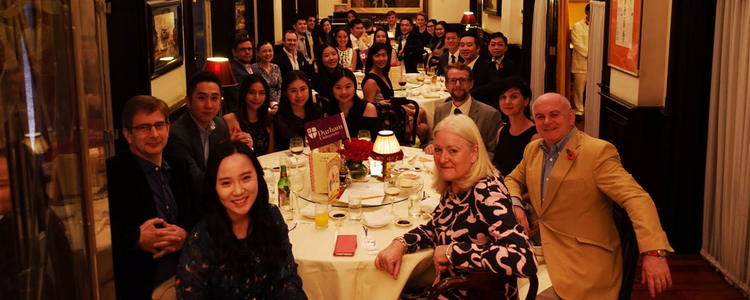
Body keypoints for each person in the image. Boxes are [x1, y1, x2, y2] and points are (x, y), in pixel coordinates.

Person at [505, 93, 674, 300]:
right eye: (540, 117)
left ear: (571, 117)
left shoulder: (597, 153)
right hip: (539, 250)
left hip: (582, 263)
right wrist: (516, 204)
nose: (547, 121)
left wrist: (653, 252)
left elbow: (636, 198)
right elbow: (512, 179)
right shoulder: (533, 150)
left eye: (554, 114)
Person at [375, 114, 537, 300]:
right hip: (449, 288)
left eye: (453, 151)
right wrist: (400, 243)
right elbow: (436, 226)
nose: (443, 159)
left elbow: (524, 258)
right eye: (438, 149)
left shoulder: (487, 192)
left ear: (474, 153)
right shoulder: (457, 183)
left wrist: (453, 252)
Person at [176, 141, 307, 299]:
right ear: (214, 187)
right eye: (226, 183)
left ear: (258, 177)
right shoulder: (202, 240)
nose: (238, 191)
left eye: (245, 178)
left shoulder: (271, 216)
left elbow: (287, 278)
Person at [108, 95, 200, 300]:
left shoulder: (179, 166)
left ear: (168, 127)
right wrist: (137, 237)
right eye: (144, 128)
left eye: (159, 125)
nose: (154, 134)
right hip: (144, 283)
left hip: (189, 270)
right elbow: (96, 232)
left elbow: (199, 213)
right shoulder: (113, 173)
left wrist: (185, 234)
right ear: (127, 134)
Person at [165, 71, 252, 189]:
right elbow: (195, 182)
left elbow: (228, 163)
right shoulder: (176, 135)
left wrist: (238, 148)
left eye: (214, 98)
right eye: (202, 98)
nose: (209, 105)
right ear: (188, 101)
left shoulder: (220, 124)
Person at [424, 63, 501, 160]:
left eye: (463, 80)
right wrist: (431, 146)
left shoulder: (490, 115)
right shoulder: (441, 110)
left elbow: (493, 153)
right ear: (446, 85)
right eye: (452, 81)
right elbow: (433, 140)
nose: (458, 85)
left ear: (471, 84)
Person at [492, 77, 540, 176]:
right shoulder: (501, 131)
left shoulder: (535, 136)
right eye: (503, 97)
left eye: (513, 97)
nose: (507, 102)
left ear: (526, 101)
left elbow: (534, 177)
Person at [223, 74, 275, 156]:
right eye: (251, 92)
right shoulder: (230, 119)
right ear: (244, 94)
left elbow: (270, 153)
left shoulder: (268, 120)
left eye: (261, 93)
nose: (256, 97)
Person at [274, 70, 325, 151]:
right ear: (286, 93)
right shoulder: (281, 117)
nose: (299, 95)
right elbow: (298, 142)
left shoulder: (316, 109)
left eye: (303, 89)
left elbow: (323, 136)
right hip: (291, 159)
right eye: (293, 91)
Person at [328, 68, 379, 139]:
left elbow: (374, 142)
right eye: (338, 87)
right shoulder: (328, 111)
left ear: (355, 87)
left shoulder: (368, 108)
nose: (344, 92)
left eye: (348, 87)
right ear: (332, 89)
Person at [458, 31, 502, 108]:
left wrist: (469, 93)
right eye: (462, 45)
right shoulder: (461, 64)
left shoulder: (487, 65)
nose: (465, 48)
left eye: (469, 45)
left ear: (478, 48)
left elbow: (496, 84)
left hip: (479, 106)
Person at [226, 37, 259, 112]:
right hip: (241, 112)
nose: (247, 52)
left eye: (249, 49)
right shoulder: (232, 70)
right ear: (234, 52)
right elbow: (240, 97)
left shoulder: (253, 68)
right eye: (243, 49)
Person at [570, 4, 590, 119]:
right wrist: (590, 54)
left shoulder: (600, 25)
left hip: (595, 64)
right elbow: (577, 43)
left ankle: (589, 109)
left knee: (592, 89)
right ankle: (578, 110)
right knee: (579, 89)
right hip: (581, 62)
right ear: (586, 12)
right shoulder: (577, 26)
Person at [251, 40, 282, 111]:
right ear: (258, 53)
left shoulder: (275, 67)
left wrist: (277, 103)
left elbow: (280, 87)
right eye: (264, 51)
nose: (268, 54)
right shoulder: (254, 68)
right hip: (261, 103)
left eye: (270, 51)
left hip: (277, 103)